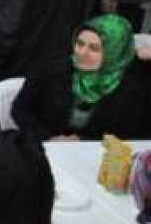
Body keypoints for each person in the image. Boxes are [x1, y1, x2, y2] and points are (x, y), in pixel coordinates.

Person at [11, 14, 151, 141]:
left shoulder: (130, 89)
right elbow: (20, 109)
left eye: (94, 48)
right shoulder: (49, 71)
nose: (83, 53)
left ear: (113, 53)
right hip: (43, 150)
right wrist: (49, 138)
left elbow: (130, 136)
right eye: (80, 44)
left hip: (94, 159)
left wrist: (82, 141)